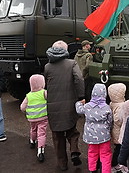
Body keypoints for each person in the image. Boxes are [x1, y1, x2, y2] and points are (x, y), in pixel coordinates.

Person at [44, 40, 85, 171]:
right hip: (69, 103)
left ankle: (62, 164)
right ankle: (74, 151)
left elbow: (46, 84)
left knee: (57, 137)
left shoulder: (47, 67)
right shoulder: (71, 63)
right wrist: (81, 96)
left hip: (53, 106)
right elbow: (79, 79)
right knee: (72, 131)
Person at [76, 83, 112, 173]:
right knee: (105, 155)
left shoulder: (87, 106)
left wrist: (78, 103)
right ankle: (105, 171)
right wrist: (108, 129)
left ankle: (92, 170)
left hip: (91, 135)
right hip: (104, 136)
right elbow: (110, 121)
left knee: (92, 153)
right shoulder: (107, 108)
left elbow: (79, 110)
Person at [20, 74, 48, 162]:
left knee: (33, 129)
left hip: (32, 118)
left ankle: (32, 141)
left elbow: (22, 107)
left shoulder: (28, 95)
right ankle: (40, 150)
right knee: (42, 133)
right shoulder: (44, 93)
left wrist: (27, 112)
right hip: (43, 117)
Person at [107, 83, 128, 173]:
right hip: (119, 132)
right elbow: (118, 120)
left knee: (118, 149)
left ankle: (118, 164)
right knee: (120, 149)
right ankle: (116, 164)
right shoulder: (121, 106)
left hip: (115, 131)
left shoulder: (112, 103)